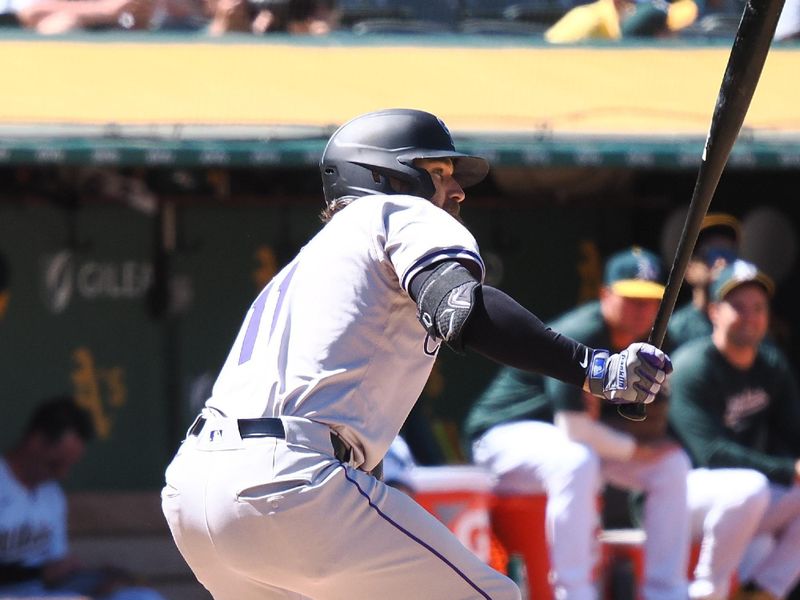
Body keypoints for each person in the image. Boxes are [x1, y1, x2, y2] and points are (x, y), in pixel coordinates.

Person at [160, 108, 672, 600]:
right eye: (438, 171)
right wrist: (595, 368)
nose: (456, 189)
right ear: (386, 176)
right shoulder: (399, 211)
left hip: (195, 490)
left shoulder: (308, 265)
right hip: (288, 481)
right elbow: (461, 307)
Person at [465, 246, 690, 600]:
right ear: (605, 295)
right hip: (504, 436)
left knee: (672, 465)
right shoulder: (582, 329)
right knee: (576, 459)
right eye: (631, 299)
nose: (641, 310)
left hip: (572, 442)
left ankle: (667, 591)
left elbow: (630, 423)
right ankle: (575, 592)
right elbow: (575, 429)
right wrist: (637, 449)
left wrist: (645, 445)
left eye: (649, 301)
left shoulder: (653, 339)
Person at [669, 259, 800, 600]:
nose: (750, 316)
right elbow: (710, 453)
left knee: (752, 489)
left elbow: (792, 431)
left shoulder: (770, 363)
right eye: (738, 306)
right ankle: (708, 593)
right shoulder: (692, 366)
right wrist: (788, 469)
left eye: (758, 307)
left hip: (743, 499)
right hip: (683, 494)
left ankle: (761, 592)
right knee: (750, 486)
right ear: (714, 312)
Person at [0, 396, 165, 600]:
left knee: (142, 597)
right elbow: (42, 573)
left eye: (68, 466)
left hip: (44, 592)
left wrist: (99, 580)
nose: (62, 475)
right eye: (56, 464)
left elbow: (54, 569)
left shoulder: (52, 495)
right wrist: (37, 573)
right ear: (36, 442)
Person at [668, 212, 740, 348]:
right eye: (711, 253)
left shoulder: (748, 324)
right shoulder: (673, 331)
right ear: (688, 269)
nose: (721, 262)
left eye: (728, 253)